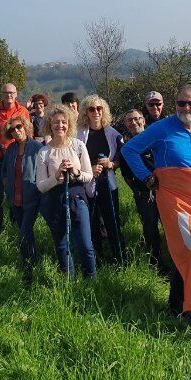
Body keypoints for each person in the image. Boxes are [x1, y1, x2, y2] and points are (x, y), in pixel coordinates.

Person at [122, 85, 191, 321]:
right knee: (184, 250)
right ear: (175, 105)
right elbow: (129, 150)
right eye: (181, 103)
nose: (186, 108)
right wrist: (146, 177)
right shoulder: (162, 127)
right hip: (174, 201)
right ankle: (185, 308)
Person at [37, 103, 96, 278]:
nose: (60, 125)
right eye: (56, 122)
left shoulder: (78, 146)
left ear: (69, 124)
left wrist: (76, 172)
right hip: (55, 199)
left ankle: (91, 281)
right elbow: (41, 185)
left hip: (77, 197)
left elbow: (88, 175)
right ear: (50, 124)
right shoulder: (44, 152)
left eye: (64, 122)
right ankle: (68, 282)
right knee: (62, 245)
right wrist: (56, 177)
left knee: (86, 245)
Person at [77, 95, 126, 264]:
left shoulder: (113, 133)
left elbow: (122, 158)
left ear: (104, 110)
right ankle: (97, 260)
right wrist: (89, 169)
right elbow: (74, 159)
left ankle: (120, 259)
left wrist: (111, 164)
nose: (96, 112)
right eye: (91, 109)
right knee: (92, 222)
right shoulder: (79, 134)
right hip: (87, 184)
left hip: (108, 183)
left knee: (113, 221)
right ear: (86, 112)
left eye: (99, 108)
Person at [116, 109, 165, 269]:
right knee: (150, 229)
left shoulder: (156, 140)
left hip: (165, 191)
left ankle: (176, 260)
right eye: (129, 120)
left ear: (143, 120)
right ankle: (156, 263)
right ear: (126, 124)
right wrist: (138, 191)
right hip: (144, 194)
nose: (134, 122)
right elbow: (126, 176)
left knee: (169, 226)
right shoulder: (125, 149)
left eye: (137, 118)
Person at [2, 116, 48, 280]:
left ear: (25, 126)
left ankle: (27, 268)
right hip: (15, 199)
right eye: (12, 130)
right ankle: (33, 260)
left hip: (32, 199)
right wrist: (7, 185)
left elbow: (44, 172)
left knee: (23, 233)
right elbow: (4, 171)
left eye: (19, 127)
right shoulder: (11, 149)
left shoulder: (37, 148)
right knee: (26, 233)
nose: (16, 131)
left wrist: (37, 190)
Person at [0, 83, 31, 233]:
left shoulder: (23, 111)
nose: (9, 95)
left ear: (16, 94)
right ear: (2, 95)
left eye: (12, 93)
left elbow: (29, 133)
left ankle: (17, 226)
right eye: (6, 93)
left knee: (17, 194)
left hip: (19, 156)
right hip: (0, 159)